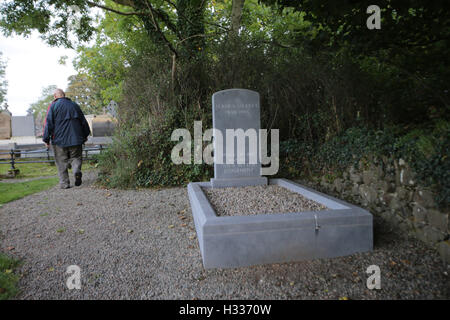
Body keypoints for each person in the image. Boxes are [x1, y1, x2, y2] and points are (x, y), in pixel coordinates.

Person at [43, 89, 91, 189]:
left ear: (55, 96)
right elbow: (83, 121)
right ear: (64, 95)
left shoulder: (53, 106)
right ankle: (76, 170)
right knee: (76, 157)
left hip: (59, 141)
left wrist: (46, 139)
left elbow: (48, 123)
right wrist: (85, 135)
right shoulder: (74, 105)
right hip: (76, 138)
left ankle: (65, 183)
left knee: (61, 161)